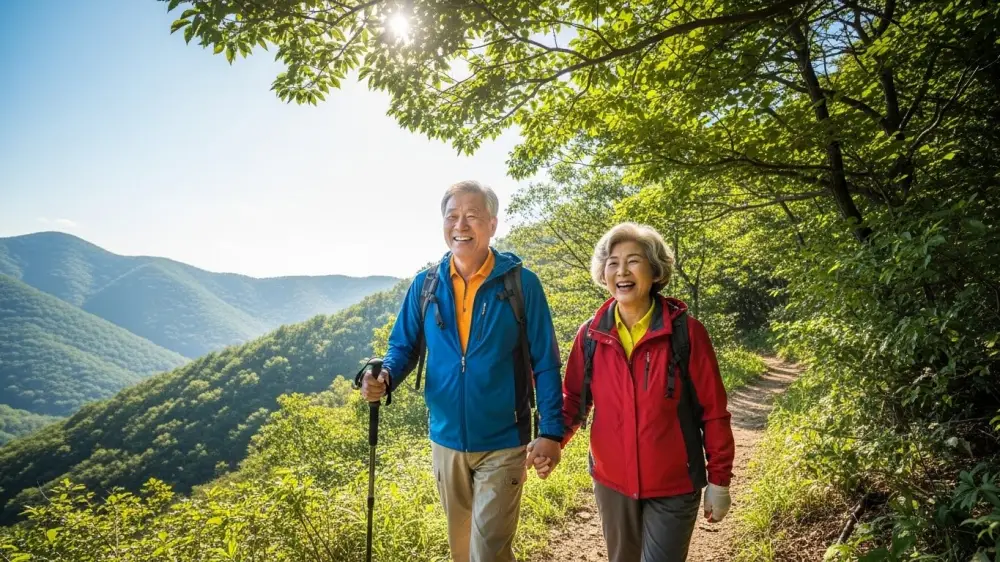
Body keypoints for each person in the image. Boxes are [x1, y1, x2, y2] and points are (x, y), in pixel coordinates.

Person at [359, 180, 564, 562]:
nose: (460, 225)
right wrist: (384, 377)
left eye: (472, 216)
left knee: (488, 551)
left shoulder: (522, 284)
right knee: (461, 551)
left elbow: (546, 362)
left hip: (504, 441)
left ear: (492, 224)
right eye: (452, 216)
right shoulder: (426, 286)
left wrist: (550, 431)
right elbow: (402, 347)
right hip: (446, 440)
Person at [536, 222, 735, 562]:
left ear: (655, 271)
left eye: (633, 261)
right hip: (612, 482)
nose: (622, 271)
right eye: (612, 262)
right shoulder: (591, 335)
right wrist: (552, 439)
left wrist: (719, 481)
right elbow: (573, 401)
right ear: (603, 273)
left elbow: (713, 412)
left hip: (675, 484)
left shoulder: (686, 333)